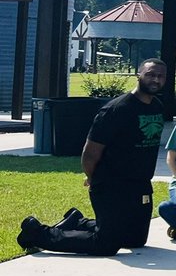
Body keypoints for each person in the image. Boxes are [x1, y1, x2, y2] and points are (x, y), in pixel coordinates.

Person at [19, 59, 167, 256]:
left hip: (140, 185)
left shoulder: (156, 106)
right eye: (150, 74)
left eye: (160, 76)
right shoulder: (115, 110)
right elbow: (90, 153)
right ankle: (38, 233)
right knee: (106, 244)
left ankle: (77, 222)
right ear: (138, 75)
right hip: (111, 185)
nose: (155, 79)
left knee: (135, 240)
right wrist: (95, 178)